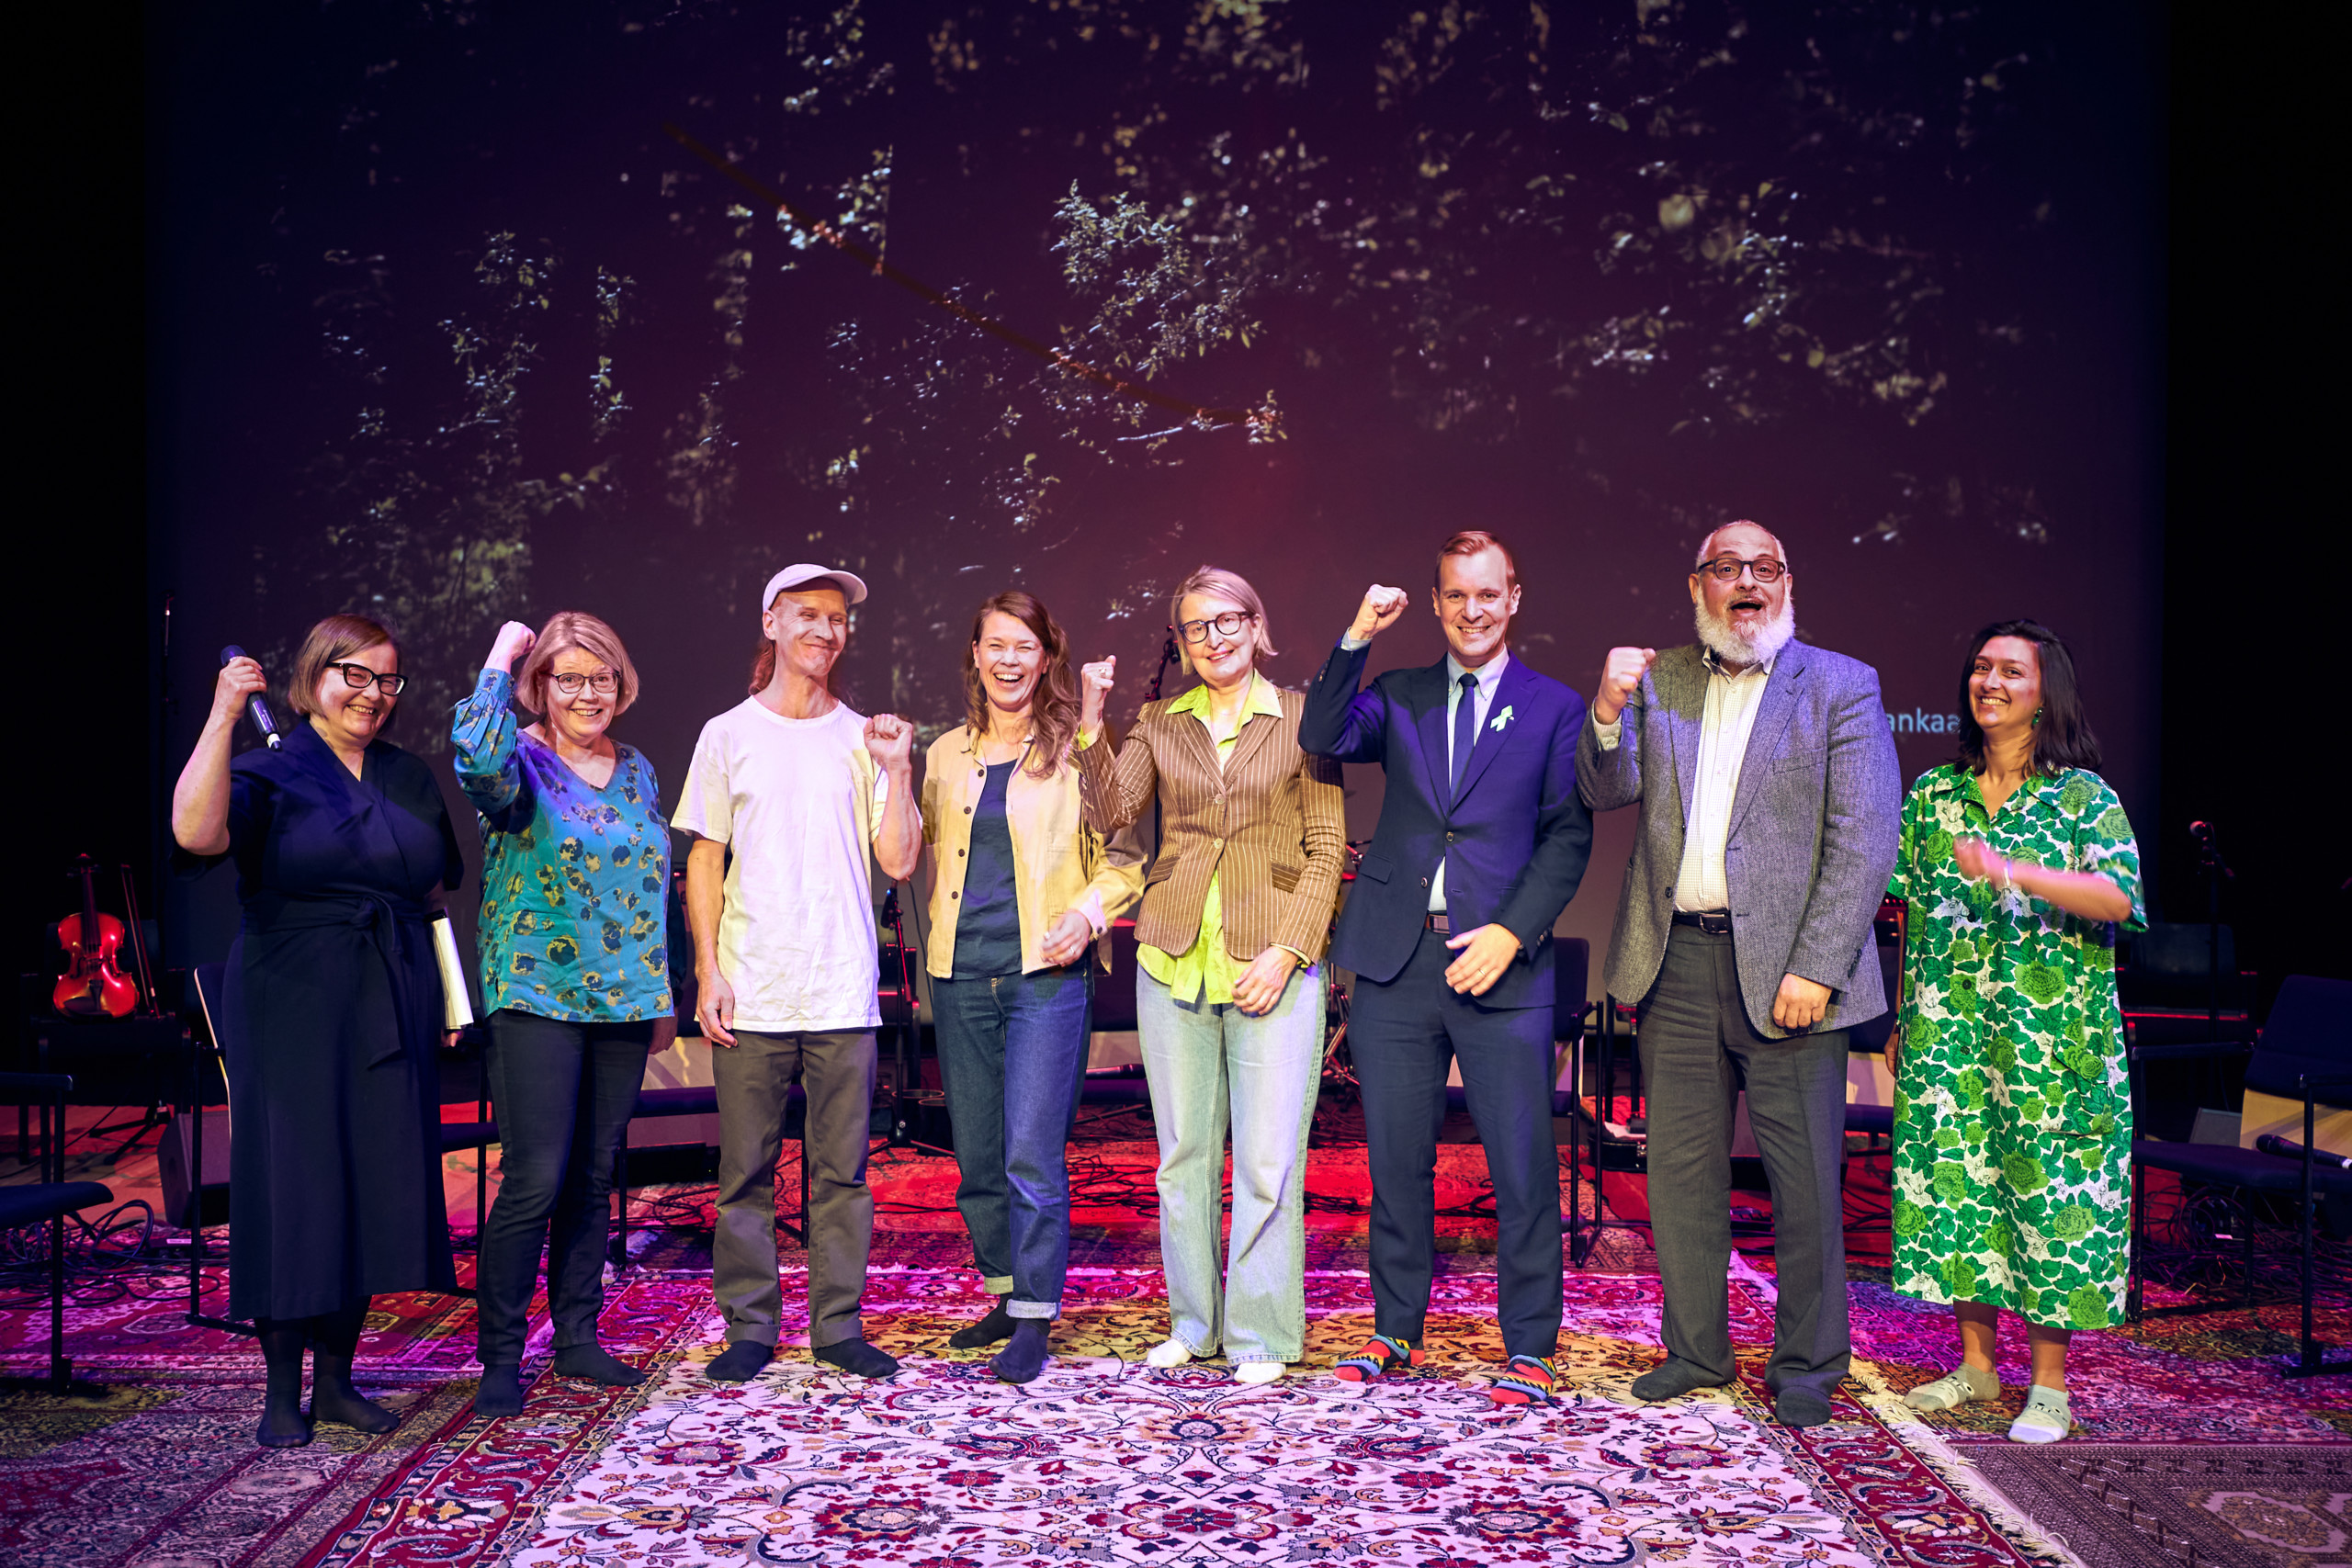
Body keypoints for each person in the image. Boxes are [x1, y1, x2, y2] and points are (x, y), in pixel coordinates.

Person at [1578, 520, 1900, 1427]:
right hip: (1676, 960)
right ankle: (1695, 1350)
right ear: (1697, 587)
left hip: (1794, 977)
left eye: (1764, 569)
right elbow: (1606, 792)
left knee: (1802, 1184)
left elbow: (1866, 837)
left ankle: (1806, 1365)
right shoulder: (1665, 680)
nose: (1746, 584)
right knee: (1681, 1177)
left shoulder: (1840, 684)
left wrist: (1817, 965)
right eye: (1727, 570)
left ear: (1787, 583)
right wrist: (1605, 711)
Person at [1300, 530, 1594, 1406]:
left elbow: (1568, 834)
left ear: (1514, 599)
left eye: (1488, 594)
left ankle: (1531, 1346)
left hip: (1501, 959)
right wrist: (1356, 635)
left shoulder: (1555, 706)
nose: (1473, 610)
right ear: (1436, 603)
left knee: (1520, 1163)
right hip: (1396, 958)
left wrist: (1513, 932)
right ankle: (1396, 1329)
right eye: (1456, 595)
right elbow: (1320, 732)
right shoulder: (1400, 692)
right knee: (1397, 1159)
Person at [172, 615, 465, 1448]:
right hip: (290, 1001)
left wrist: (446, 1006)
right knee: (296, 1182)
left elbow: (433, 895)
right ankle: (279, 1390)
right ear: (312, 677)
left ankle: (337, 1379)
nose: (373, 694)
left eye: (388, 680)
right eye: (355, 675)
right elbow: (194, 833)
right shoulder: (266, 769)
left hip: (391, 995)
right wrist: (224, 714)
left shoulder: (407, 776)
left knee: (371, 1181)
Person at [1075, 566, 1345, 1384]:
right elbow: (1109, 813)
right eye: (1195, 628)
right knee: (1182, 1156)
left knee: (1267, 1162)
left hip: (1273, 961)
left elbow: (1328, 848)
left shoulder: (1304, 717)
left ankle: (1260, 1334)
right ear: (1182, 643)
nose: (1213, 637)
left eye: (1228, 621)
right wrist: (1092, 720)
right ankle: (1194, 1324)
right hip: (1171, 955)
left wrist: (1289, 949)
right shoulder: (1160, 721)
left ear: (1257, 626)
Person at [1887, 620, 2140, 1444]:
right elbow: (1908, 913)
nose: (1988, 681)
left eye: (2010, 670)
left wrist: (2013, 869)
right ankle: (1976, 1365)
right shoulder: (1934, 793)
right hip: (1949, 1028)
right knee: (1960, 1195)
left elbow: (2118, 899)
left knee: (2046, 1196)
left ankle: (2051, 1387)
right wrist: (1901, 1014)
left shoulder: (2082, 798)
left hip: (2052, 1044)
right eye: (1980, 668)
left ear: (2045, 692)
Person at [674, 564, 921, 1384]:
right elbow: (704, 860)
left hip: (842, 988)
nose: (825, 629)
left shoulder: (863, 735)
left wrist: (896, 770)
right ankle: (750, 1325)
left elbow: (898, 860)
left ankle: (837, 1326)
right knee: (744, 1170)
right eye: (807, 614)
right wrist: (708, 969)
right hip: (754, 986)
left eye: (837, 617)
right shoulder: (727, 733)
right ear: (771, 621)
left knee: (841, 1173)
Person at [918, 592, 1144, 1383]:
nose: (1009, 660)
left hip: (1045, 978)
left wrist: (1087, 916)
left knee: (1029, 1152)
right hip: (957, 973)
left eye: (1025, 647)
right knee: (977, 1155)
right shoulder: (944, 754)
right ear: (975, 654)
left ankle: (1036, 1317)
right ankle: (1006, 1292)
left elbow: (1125, 855)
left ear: (1045, 657)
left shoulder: (1078, 743)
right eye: (995, 645)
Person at [453, 612, 674, 1417]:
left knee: (591, 1174)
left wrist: (661, 996)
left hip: (621, 1001)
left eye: (602, 677)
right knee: (535, 1177)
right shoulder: (516, 758)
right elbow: (472, 755)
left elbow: (651, 887)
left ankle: (577, 1334)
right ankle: (501, 1355)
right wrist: (501, 651)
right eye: (568, 677)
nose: (588, 692)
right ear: (539, 686)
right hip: (535, 994)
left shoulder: (640, 767)